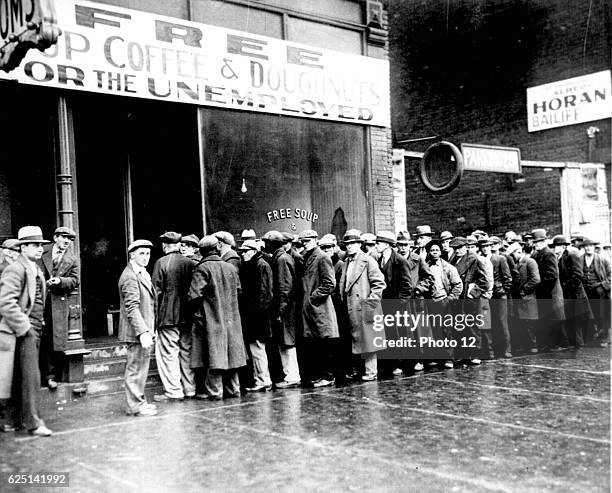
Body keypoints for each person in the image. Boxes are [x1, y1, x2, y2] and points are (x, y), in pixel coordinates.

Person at [0, 226, 53, 436]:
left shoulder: (33, 267)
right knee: (31, 376)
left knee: (20, 376)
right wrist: (26, 328)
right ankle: (34, 422)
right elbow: (6, 303)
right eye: (35, 245)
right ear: (23, 247)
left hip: (34, 327)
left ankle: (14, 420)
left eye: (41, 245)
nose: (40, 249)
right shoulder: (17, 269)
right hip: (22, 330)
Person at [188, 236, 246, 399]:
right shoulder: (230, 268)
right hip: (231, 320)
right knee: (231, 356)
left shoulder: (202, 268)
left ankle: (215, 392)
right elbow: (239, 291)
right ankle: (234, 390)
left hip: (211, 320)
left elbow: (194, 297)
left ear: (202, 251)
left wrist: (198, 314)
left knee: (213, 356)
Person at [151, 232, 196, 402]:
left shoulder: (161, 263)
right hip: (187, 316)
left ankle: (174, 391)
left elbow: (156, 293)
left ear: (164, 246)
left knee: (169, 354)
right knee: (186, 352)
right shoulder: (191, 263)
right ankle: (189, 388)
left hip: (168, 316)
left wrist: (154, 320)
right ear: (178, 244)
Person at [338, 230, 386, 381]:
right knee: (356, 340)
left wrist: (370, 305)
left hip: (364, 306)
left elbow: (379, 284)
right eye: (347, 244)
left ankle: (371, 372)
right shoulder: (346, 262)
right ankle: (360, 370)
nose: (350, 247)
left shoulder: (368, 260)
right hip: (350, 306)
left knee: (368, 340)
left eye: (353, 243)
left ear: (359, 244)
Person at [38, 226, 80, 390]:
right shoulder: (42, 250)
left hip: (57, 302)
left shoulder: (72, 258)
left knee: (53, 340)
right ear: (55, 237)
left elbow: (75, 280)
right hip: (38, 299)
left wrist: (60, 281)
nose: (67, 242)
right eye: (64, 238)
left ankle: (50, 376)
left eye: (70, 240)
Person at [119, 239, 157, 417]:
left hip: (144, 330)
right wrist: (142, 331)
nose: (145, 257)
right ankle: (135, 405)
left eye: (148, 253)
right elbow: (132, 307)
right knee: (135, 368)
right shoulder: (130, 276)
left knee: (141, 368)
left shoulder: (141, 273)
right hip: (136, 332)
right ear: (132, 254)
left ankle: (139, 402)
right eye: (141, 253)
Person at [298, 229, 339, 388]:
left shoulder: (322, 257)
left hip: (320, 308)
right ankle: (322, 376)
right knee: (316, 344)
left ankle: (328, 377)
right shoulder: (307, 257)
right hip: (312, 309)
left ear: (315, 240)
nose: (305, 245)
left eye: (307, 241)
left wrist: (313, 297)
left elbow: (330, 283)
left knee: (325, 343)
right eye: (303, 242)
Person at [238, 239, 274, 392]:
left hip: (258, 317)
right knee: (256, 349)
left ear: (253, 251)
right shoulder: (256, 265)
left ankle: (263, 380)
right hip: (256, 316)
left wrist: (258, 314)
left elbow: (265, 294)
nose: (242, 254)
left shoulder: (260, 266)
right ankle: (261, 379)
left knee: (257, 349)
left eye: (245, 251)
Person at [375, 231, 411, 374]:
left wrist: (399, 304)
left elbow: (408, 287)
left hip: (397, 305)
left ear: (387, 245)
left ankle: (400, 365)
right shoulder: (379, 260)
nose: (376, 246)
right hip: (384, 304)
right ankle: (391, 365)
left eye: (378, 243)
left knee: (399, 334)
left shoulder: (400, 261)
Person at [269, 231, 300, 388]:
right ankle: (290, 375)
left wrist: (281, 311)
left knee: (287, 342)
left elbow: (284, 287)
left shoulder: (281, 259)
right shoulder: (282, 257)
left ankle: (292, 376)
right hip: (286, 307)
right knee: (285, 341)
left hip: (285, 309)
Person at [451, 236, 489, 364]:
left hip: (469, 300)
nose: (457, 251)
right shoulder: (453, 260)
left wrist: (473, 293)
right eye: (455, 248)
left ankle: (475, 354)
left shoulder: (474, 259)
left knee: (473, 327)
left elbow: (484, 282)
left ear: (465, 247)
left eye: (460, 248)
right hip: (458, 299)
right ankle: (463, 354)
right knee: (460, 327)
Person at [425, 240, 462, 368]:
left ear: (440, 252)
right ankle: (436, 357)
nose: (434, 253)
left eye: (436, 250)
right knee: (433, 331)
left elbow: (458, 285)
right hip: (430, 302)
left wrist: (450, 298)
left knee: (447, 331)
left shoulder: (448, 268)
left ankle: (449, 358)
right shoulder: (425, 266)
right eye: (432, 251)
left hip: (444, 302)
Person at [530, 229, 567, 352]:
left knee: (555, 320)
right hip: (543, 293)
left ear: (545, 241)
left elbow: (552, 275)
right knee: (546, 320)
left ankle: (560, 344)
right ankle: (548, 344)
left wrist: (539, 287)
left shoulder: (549, 254)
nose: (537, 244)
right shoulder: (535, 255)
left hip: (551, 292)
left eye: (540, 241)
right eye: (535, 242)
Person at [553, 235, 592, 349]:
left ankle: (579, 348)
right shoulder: (558, 258)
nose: (556, 248)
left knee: (576, 323)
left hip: (575, 295)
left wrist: (565, 286)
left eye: (558, 246)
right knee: (570, 322)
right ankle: (574, 346)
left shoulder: (571, 256)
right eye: (555, 246)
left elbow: (578, 275)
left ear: (564, 246)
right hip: (567, 295)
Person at [482, 235, 513, 358]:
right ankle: (494, 349)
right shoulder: (481, 260)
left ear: (491, 247)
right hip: (488, 296)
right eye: (483, 247)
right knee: (491, 322)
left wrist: (503, 290)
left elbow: (508, 278)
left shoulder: (500, 259)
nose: (485, 249)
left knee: (502, 322)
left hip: (500, 295)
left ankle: (507, 349)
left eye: (487, 246)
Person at [506, 242, 540, 353]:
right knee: (523, 323)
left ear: (519, 252)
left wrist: (524, 290)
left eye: (513, 254)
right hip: (521, 299)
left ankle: (533, 345)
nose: (513, 257)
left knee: (529, 323)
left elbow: (536, 279)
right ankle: (527, 345)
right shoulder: (518, 263)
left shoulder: (530, 262)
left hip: (528, 298)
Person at [581, 238, 611, 346]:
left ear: (594, 247)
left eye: (591, 246)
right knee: (589, 315)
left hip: (600, 293)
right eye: (586, 246)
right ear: (584, 247)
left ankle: (605, 338)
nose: (588, 248)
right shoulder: (580, 259)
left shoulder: (603, 259)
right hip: (585, 291)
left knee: (602, 314)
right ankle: (592, 335)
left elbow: (610, 276)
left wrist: (603, 287)